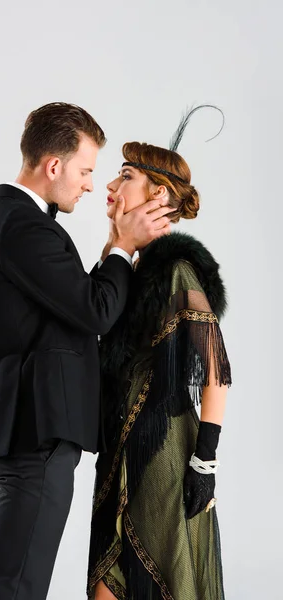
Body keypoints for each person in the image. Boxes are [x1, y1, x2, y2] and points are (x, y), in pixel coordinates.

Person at [0, 102, 173, 600]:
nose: (89, 184)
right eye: (85, 170)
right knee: (16, 586)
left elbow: (76, 302)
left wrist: (114, 247)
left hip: (35, 431)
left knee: (12, 582)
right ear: (54, 166)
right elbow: (94, 310)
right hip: (37, 431)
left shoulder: (22, 225)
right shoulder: (23, 228)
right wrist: (124, 246)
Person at [87, 106, 232, 600]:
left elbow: (216, 372)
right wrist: (115, 248)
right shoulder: (126, 268)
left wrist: (204, 465)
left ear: (159, 195)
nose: (109, 185)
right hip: (117, 456)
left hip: (164, 456)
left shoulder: (176, 271)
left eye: (124, 175)